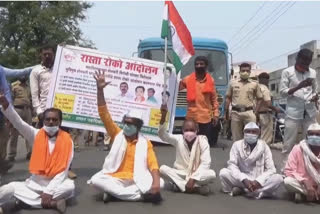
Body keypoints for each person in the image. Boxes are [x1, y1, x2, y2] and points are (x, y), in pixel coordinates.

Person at [88, 70, 163, 203]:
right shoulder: (117, 134)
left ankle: (114, 194)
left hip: (137, 178)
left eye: (131, 124)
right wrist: (99, 90)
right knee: (96, 180)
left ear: (138, 126)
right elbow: (104, 114)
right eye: (126, 123)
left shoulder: (145, 143)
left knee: (160, 182)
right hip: (115, 177)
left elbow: (153, 165)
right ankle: (141, 196)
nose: (127, 126)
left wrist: (156, 183)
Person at [0, 92, 74, 213]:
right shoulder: (35, 134)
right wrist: (7, 107)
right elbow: (19, 123)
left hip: (57, 183)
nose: (51, 122)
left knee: (70, 187)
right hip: (34, 184)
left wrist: (49, 191)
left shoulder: (67, 140)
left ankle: (20, 202)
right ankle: (51, 203)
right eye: (48, 119)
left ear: (60, 122)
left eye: (54, 120)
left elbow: (64, 170)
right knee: (8, 188)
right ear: (43, 121)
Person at [158, 105, 215, 195]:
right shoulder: (178, 139)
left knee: (212, 174)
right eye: (187, 130)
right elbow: (163, 135)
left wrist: (193, 179)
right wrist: (163, 117)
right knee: (162, 169)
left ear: (197, 130)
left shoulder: (202, 141)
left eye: (192, 130)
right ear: (182, 130)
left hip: (197, 174)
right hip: (181, 173)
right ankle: (195, 188)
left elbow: (206, 163)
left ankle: (179, 185)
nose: (189, 133)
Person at [219, 122, 283, 199]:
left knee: (278, 178)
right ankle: (259, 192)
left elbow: (271, 169)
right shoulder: (237, 145)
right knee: (223, 173)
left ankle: (245, 191)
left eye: (254, 132)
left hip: (259, 179)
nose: (251, 134)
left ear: (258, 133)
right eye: (248, 131)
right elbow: (232, 165)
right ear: (244, 133)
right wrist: (244, 179)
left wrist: (258, 181)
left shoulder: (264, 146)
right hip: (242, 179)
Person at [279, 49, 318, 155]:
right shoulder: (287, 72)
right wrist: (298, 87)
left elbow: (315, 90)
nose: (305, 64)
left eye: (308, 62)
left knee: (312, 142)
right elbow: (282, 92)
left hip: (310, 112)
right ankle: (286, 169)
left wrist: (315, 97)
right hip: (293, 113)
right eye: (303, 61)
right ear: (297, 59)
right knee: (289, 143)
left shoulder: (313, 72)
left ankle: (309, 167)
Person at [179, 56, 219, 147]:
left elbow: (214, 99)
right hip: (191, 118)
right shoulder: (188, 79)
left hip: (205, 119)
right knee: (189, 144)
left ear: (206, 66)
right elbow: (176, 88)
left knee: (203, 144)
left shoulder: (211, 81)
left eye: (201, 64)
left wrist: (216, 115)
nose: (199, 66)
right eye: (197, 64)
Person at [0, 65, 33, 174]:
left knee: (4, 137)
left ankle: (2, 163)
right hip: (14, 110)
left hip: (5, 112)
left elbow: (18, 72)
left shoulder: (1, 70)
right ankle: (9, 157)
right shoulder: (14, 86)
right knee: (12, 134)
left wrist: (9, 111)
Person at [225, 63, 263, 141]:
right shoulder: (232, 83)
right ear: (239, 72)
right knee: (236, 138)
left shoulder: (254, 84)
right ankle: (238, 153)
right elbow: (228, 98)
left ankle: (250, 152)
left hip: (249, 112)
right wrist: (226, 112)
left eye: (247, 71)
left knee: (251, 137)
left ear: (250, 72)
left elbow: (260, 98)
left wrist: (255, 112)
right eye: (243, 70)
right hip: (235, 113)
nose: (245, 72)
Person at [284, 123, 320, 203]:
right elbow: (289, 170)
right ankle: (314, 196)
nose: (314, 137)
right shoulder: (298, 148)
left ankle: (304, 195)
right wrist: (304, 181)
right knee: (288, 181)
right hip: (303, 183)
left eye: (318, 134)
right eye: (311, 134)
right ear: (307, 136)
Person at [30, 44, 56, 127]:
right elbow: (34, 94)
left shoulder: (60, 69)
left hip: (60, 113)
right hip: (44, 113)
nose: (47, 56)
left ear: (54, 54)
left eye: (49, 54)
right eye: (45, 54)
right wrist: (39, 111)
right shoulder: (36, 71)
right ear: (41, 55)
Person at [7, 76, 33, 161]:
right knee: (14, 132)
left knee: (29, 131)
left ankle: (30, 152)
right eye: (22, 75)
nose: (23, 77)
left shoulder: (29, 87)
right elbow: (10, 99)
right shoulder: (14, 87)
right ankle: (11, 154)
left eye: (25, 75)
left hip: (27, 110)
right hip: (17, 109)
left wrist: (33, 111)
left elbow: (31, 99)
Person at [257, 72, 281, 145]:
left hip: (256, 114)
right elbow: (268, 104)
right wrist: (276, 109)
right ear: (266, 80)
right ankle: (263, 150)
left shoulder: (255, 88)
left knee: (258, 134)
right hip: (265, 114)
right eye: (267, 79)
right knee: (266, 136)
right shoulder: (265, 89)